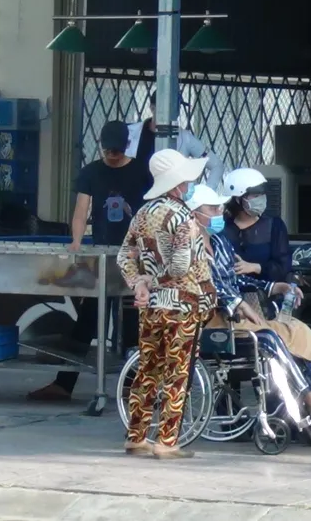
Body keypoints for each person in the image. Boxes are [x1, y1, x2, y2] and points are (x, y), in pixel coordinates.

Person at [186, 184, 311, 419]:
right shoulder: (189, 249)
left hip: (239, 319)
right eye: (212, 209)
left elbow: (236, 280)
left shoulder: (219, 243)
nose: (218, 212)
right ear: (194, 214)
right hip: (214, 322)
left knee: (298, 330)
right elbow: (205, 286)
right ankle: (309, 397)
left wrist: (275, 286)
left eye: (219, 207)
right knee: (270, 338)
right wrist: (237, 303)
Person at [27, 120, 147, 401]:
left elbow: (151, 209)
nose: (112, 156)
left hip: (134, 254)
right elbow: (81, 210)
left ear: (126, 147)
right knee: (88, 319)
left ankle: (132, 384)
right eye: (107, 151)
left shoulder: (141, 171)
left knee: (131, 320)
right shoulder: (91, 172)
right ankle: (64, 383)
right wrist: (77, 241)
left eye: (116, 151)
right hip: (102, 255)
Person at [118, 149, 215, 459]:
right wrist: (185, 242)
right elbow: (180, 269)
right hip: (184, 306)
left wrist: (139, 283)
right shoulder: (183, 216)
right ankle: (167, 441)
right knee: (177, 373)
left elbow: (124, 256)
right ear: (178, 183)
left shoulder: (142, 214)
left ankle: (136, 435)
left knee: (148, 370)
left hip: (153, 306)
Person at [126, 91, 224, 191]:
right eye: (168, 107)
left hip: (170, 201)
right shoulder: (129, 133)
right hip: (134, 199)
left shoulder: (185, 138)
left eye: (177, 107)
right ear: (152, 108)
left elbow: (217, 165)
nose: (174, 112)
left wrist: (206, 195)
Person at [220, 168, 292, 284]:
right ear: (238, 199)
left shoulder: (274, 225)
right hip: (230, 293)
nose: (261, 199)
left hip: (266, 294)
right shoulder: (222, 227)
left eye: (262, 194)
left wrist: (255, 267)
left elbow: (284, 267)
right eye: (255, 195)